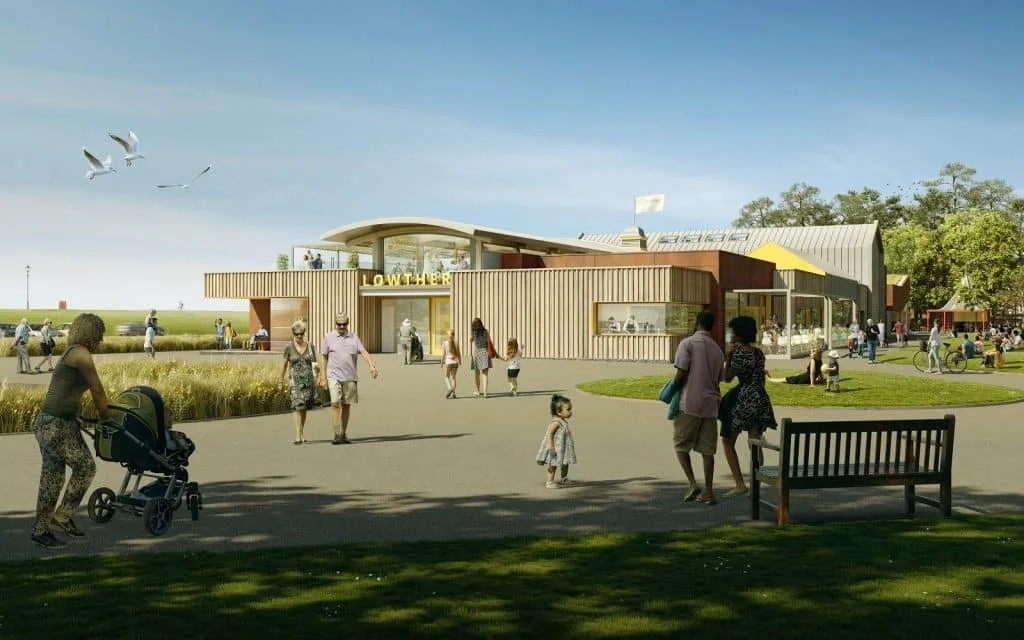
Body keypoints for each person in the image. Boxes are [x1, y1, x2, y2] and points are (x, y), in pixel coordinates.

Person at [31, 313, 110, 549]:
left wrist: (78, 415)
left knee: (56, 477)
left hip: (58, 423)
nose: (101, 340)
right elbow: (97, 389)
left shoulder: (72, 352)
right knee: (80, 469)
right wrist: (106, 418)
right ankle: (54, 522)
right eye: (99, 335)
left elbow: (68, 391)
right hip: (55, 425)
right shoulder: (81, 354)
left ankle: (51, 524)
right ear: (91, 334)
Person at [666, 310, 724, 505]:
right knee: (708, 450)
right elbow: (720, 377)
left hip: (690, 401)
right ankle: (709, 490)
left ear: (698, 322)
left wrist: (671, 387)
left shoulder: (687, 343)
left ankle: (692, 482)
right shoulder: (716, 349)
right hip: (711, 404)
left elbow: (681, 371)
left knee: (681, 445)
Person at [719, 316, 776, 498]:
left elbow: (727, 377)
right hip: (760, 398)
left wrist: (728, 356)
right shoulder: (758, 353)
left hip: (743, 399)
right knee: (755, 441)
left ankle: (739, 484)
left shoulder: (739, 353)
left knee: (728, 440)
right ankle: (756, 481)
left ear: (738, 333)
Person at [318, 313, 379, 444]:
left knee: (346, 405)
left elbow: (363, 352)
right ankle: (336, 433)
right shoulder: (329, 337)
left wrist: (372, 366)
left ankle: (344, 433)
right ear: (336, 324)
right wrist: (322, 377)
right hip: (333, 376)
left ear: (347, 324)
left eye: (344, 324)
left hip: (350, 377)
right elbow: (323, 357)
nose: (341, 326)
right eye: (339, 324)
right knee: (335, 404)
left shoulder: (353, 338)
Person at [279, 319, 317, 444]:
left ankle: (302, 432)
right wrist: (280, 381)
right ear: (293, 334)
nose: (299, 336)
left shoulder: (310, 347)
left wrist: (320, 377)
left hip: (307, 381)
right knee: (297, 406)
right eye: (296, 334)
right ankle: (297, 434)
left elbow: (315, 364)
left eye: (301, 333)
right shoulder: (289, 348)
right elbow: (284, 365)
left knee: (304, 407)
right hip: (294, 382)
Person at [536, 394, 577, 488]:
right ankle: (549, 481)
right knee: (553, 464)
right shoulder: (556, 423)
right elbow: (550, 434)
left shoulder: (563, 422)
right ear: (559, 412)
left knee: (565, 463)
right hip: (556, 448)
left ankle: (564, 478)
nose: (571, 412)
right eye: (568, 409)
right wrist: (550, 445)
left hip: (563, 448)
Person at [469, 317, 495, 397]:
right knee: (485, 374)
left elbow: (471, 341)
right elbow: (489, 341)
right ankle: (485, 392)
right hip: (485, 352)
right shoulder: (485, 332)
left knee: (477, 374)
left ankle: (477, 391)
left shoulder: (473, 332)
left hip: (476, 353)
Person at [440, 328, 461, 399]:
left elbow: (443, 354)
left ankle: (449, 388)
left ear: (447, 335)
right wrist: (460, 361)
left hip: (448, 362)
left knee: (446, 377)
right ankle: (454, 394)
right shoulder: (456, 342)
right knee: (453, 378)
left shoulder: (445, 343)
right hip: (455, 362)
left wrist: (442, 362)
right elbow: (458, 353)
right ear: (454, 335)